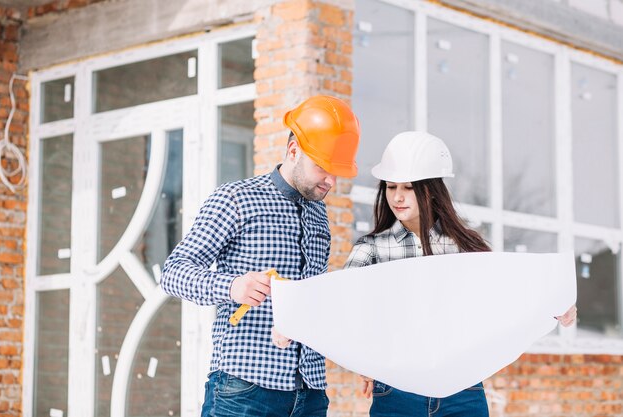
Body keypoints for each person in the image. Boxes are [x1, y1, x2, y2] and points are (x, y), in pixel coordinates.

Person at [343, 131, 577, 417]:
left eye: (407, 187)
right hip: (397, 393)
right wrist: (364, 362)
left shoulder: (466, 246)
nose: (397, 197)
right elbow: (346, 311)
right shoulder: (371, 249)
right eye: (391, 187)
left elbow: (509, 297)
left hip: (463, 393)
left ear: (429, 189)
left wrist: (557, 305)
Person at [161, 95, 360, 417]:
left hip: (310, 391)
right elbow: (173, 273)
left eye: (338, 173)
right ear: (294, 150)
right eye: (322, 168)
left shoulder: (319, 213)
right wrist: (232, 286)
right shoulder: (236, 199)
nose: (331, 182)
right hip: (246, 390)